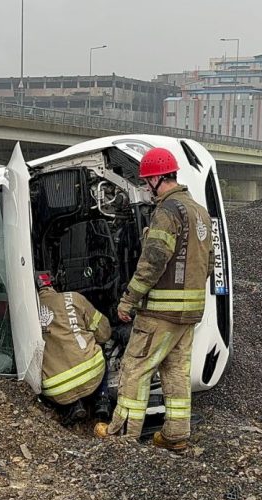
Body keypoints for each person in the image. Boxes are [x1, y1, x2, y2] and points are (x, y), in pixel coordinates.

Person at [101, 147, 213, 452]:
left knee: (134, 369)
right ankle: (176, 436)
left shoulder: (168, 212)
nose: (146, 188)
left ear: (158, 179)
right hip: (188, 314)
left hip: (160, 313)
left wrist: (128, 301)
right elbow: (208, 263)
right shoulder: (198, 211)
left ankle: (122, 437)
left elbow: (151, 263)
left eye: (147, 181)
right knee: (176, 373)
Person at [36, 271, 112, 428]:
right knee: (99, 347)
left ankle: (72, 406)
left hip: (56, 388)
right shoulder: (73, 298)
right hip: (93, 373)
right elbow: (104, 333)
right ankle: (102, 399)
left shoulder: (27, 313)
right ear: (54, 284)